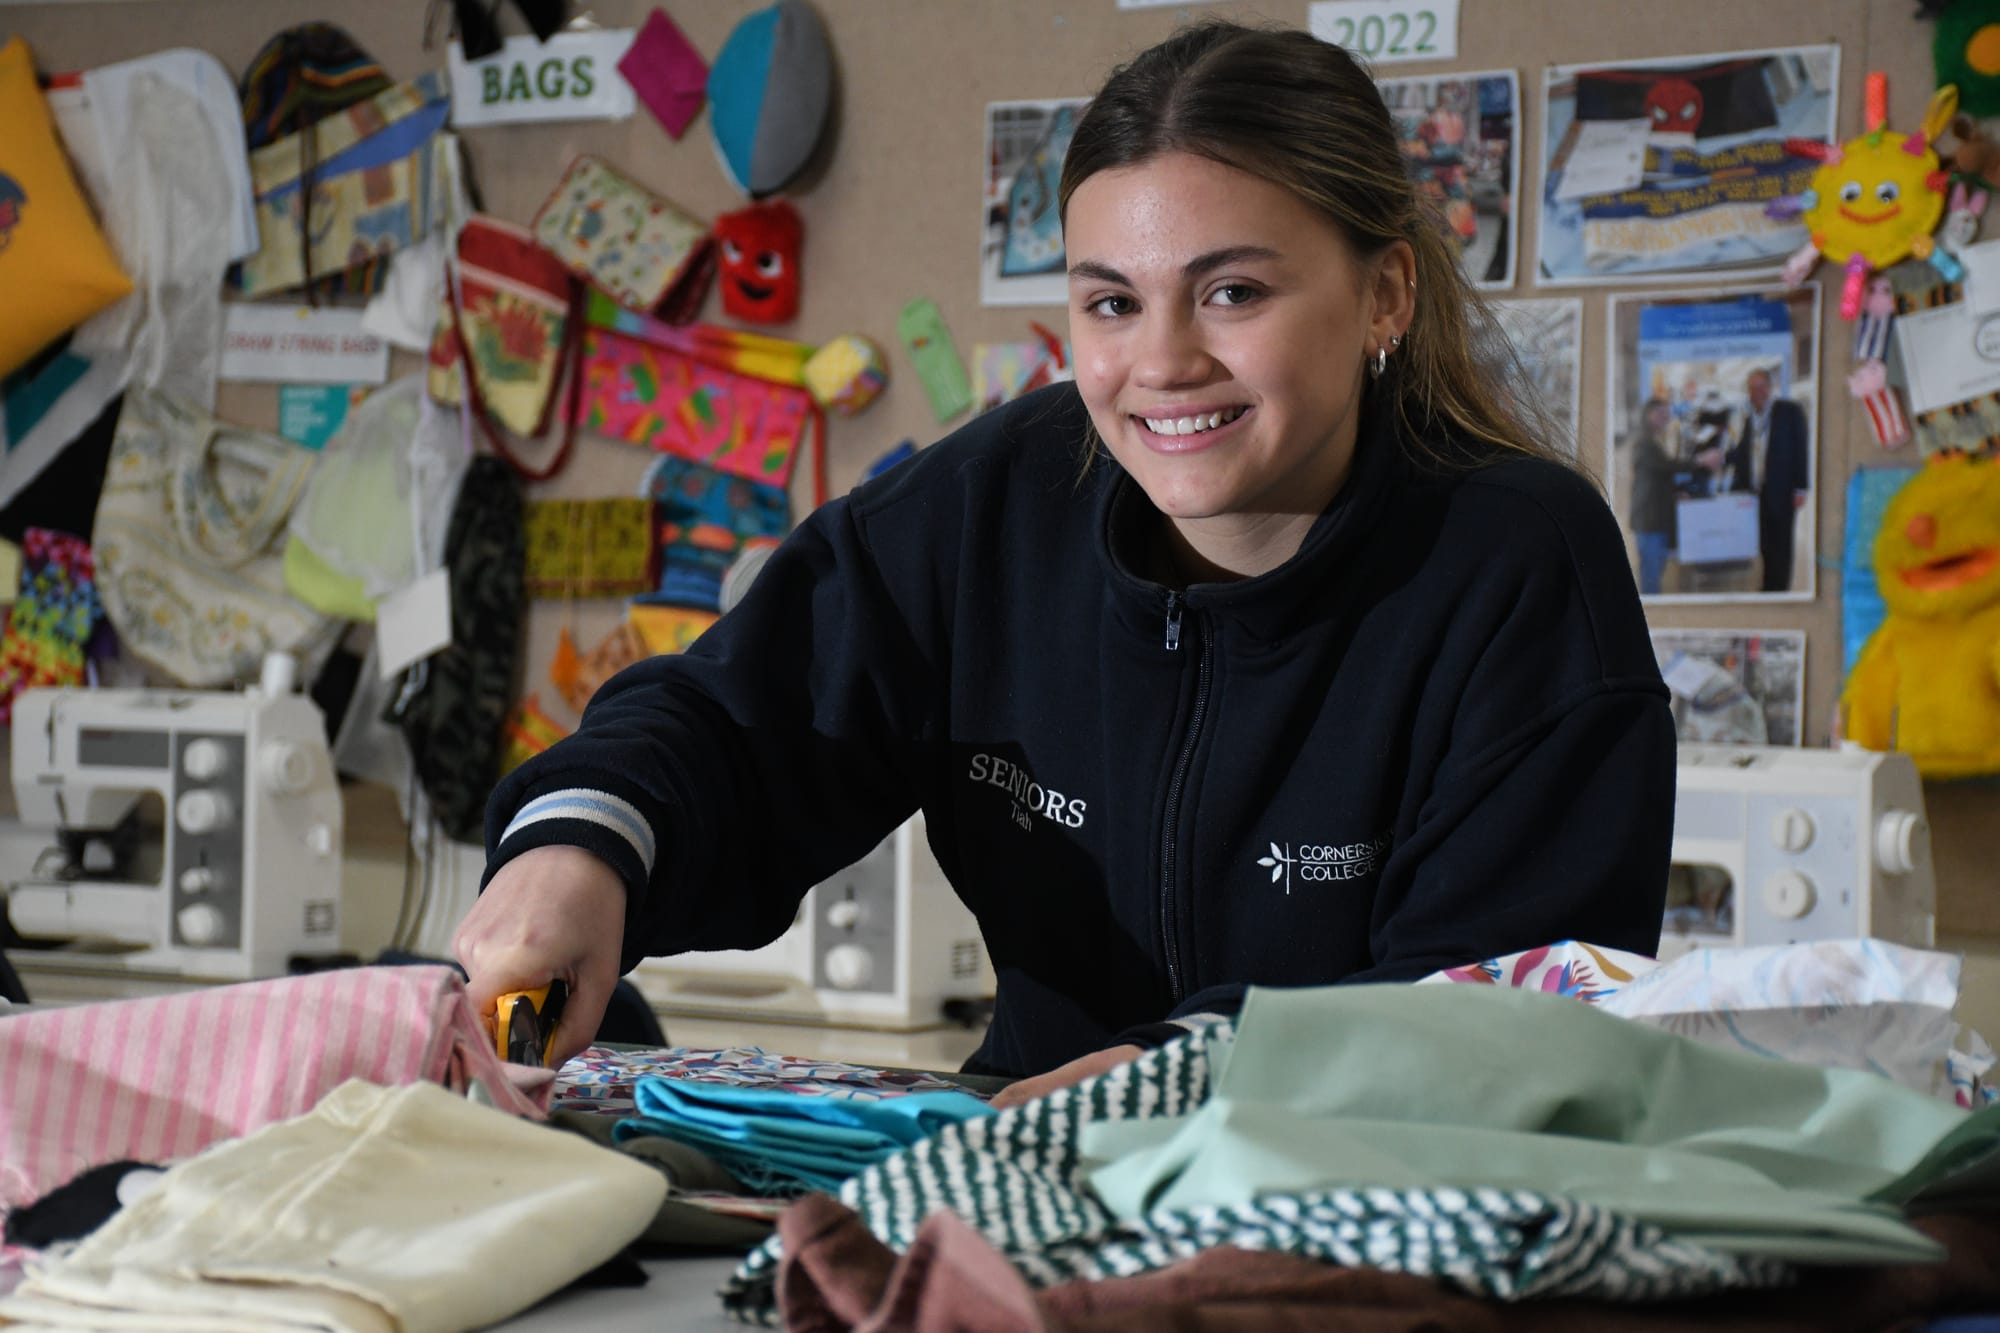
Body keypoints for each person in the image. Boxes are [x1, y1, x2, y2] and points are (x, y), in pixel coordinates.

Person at [453, 19, 1676, 1108]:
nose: (1161, 362)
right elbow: (733, 718)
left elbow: (1504, 1012)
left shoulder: (1519, 563)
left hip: (1347, 1211)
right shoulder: (997, 497)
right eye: (1108, 303)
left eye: (1232, 291)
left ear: (1384, 298)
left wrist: (1186, 1071)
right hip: (1016, 1162)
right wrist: (582, 846)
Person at [1725, 367, 1810, 593]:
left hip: (1782, 489)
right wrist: (1720, 458)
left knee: (1782, 541)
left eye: (1761, 386)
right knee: (1764, 542)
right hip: (1755, 491)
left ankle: (1780, 588)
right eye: (1753, 387)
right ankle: (1768, 585)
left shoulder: (1789, 411)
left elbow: (1801, 449)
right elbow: (1742, 451)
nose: (1757, 392)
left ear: (1770, 388)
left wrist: (1801, 487)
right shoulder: (1748, 416)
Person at [1627, 397, 1679, 595]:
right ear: (1649, 415)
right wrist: (1699, 461)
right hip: (1650, 520)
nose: (1666, 418)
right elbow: (1665, 468)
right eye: (1661, 414)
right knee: (1651, 578)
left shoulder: (1653, 441)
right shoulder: (1645, 443)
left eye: (1667, 414)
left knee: (1653, 572)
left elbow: (1659, 476)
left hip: (1654, 518)